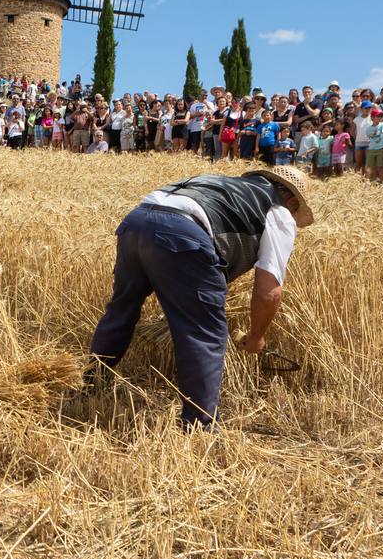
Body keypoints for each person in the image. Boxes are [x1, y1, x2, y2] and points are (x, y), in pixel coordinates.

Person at [88, 167, 314, 428]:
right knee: (204, 332)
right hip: (182, 232)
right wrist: (256, 336)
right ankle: (200, 425)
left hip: (136, 221)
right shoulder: (279, 212)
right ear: (293, 202)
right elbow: (269, 290)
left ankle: (90, 383)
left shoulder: (220, 184)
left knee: (121, 309)